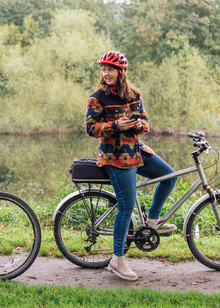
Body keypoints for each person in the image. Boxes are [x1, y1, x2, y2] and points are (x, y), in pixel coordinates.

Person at [85, 51, 178, 281]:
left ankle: (153, 220)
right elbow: (90, 128)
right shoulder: (97, 98)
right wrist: (115, 124)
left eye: (111, 70)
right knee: (126, 207)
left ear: (121, 72)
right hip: (116, 157)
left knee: (169, 176)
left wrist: (140, 124)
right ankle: (117, 260)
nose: (106, 73)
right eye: (104, 70)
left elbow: (146, 121)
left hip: (137, 151)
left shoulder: (135, 94)